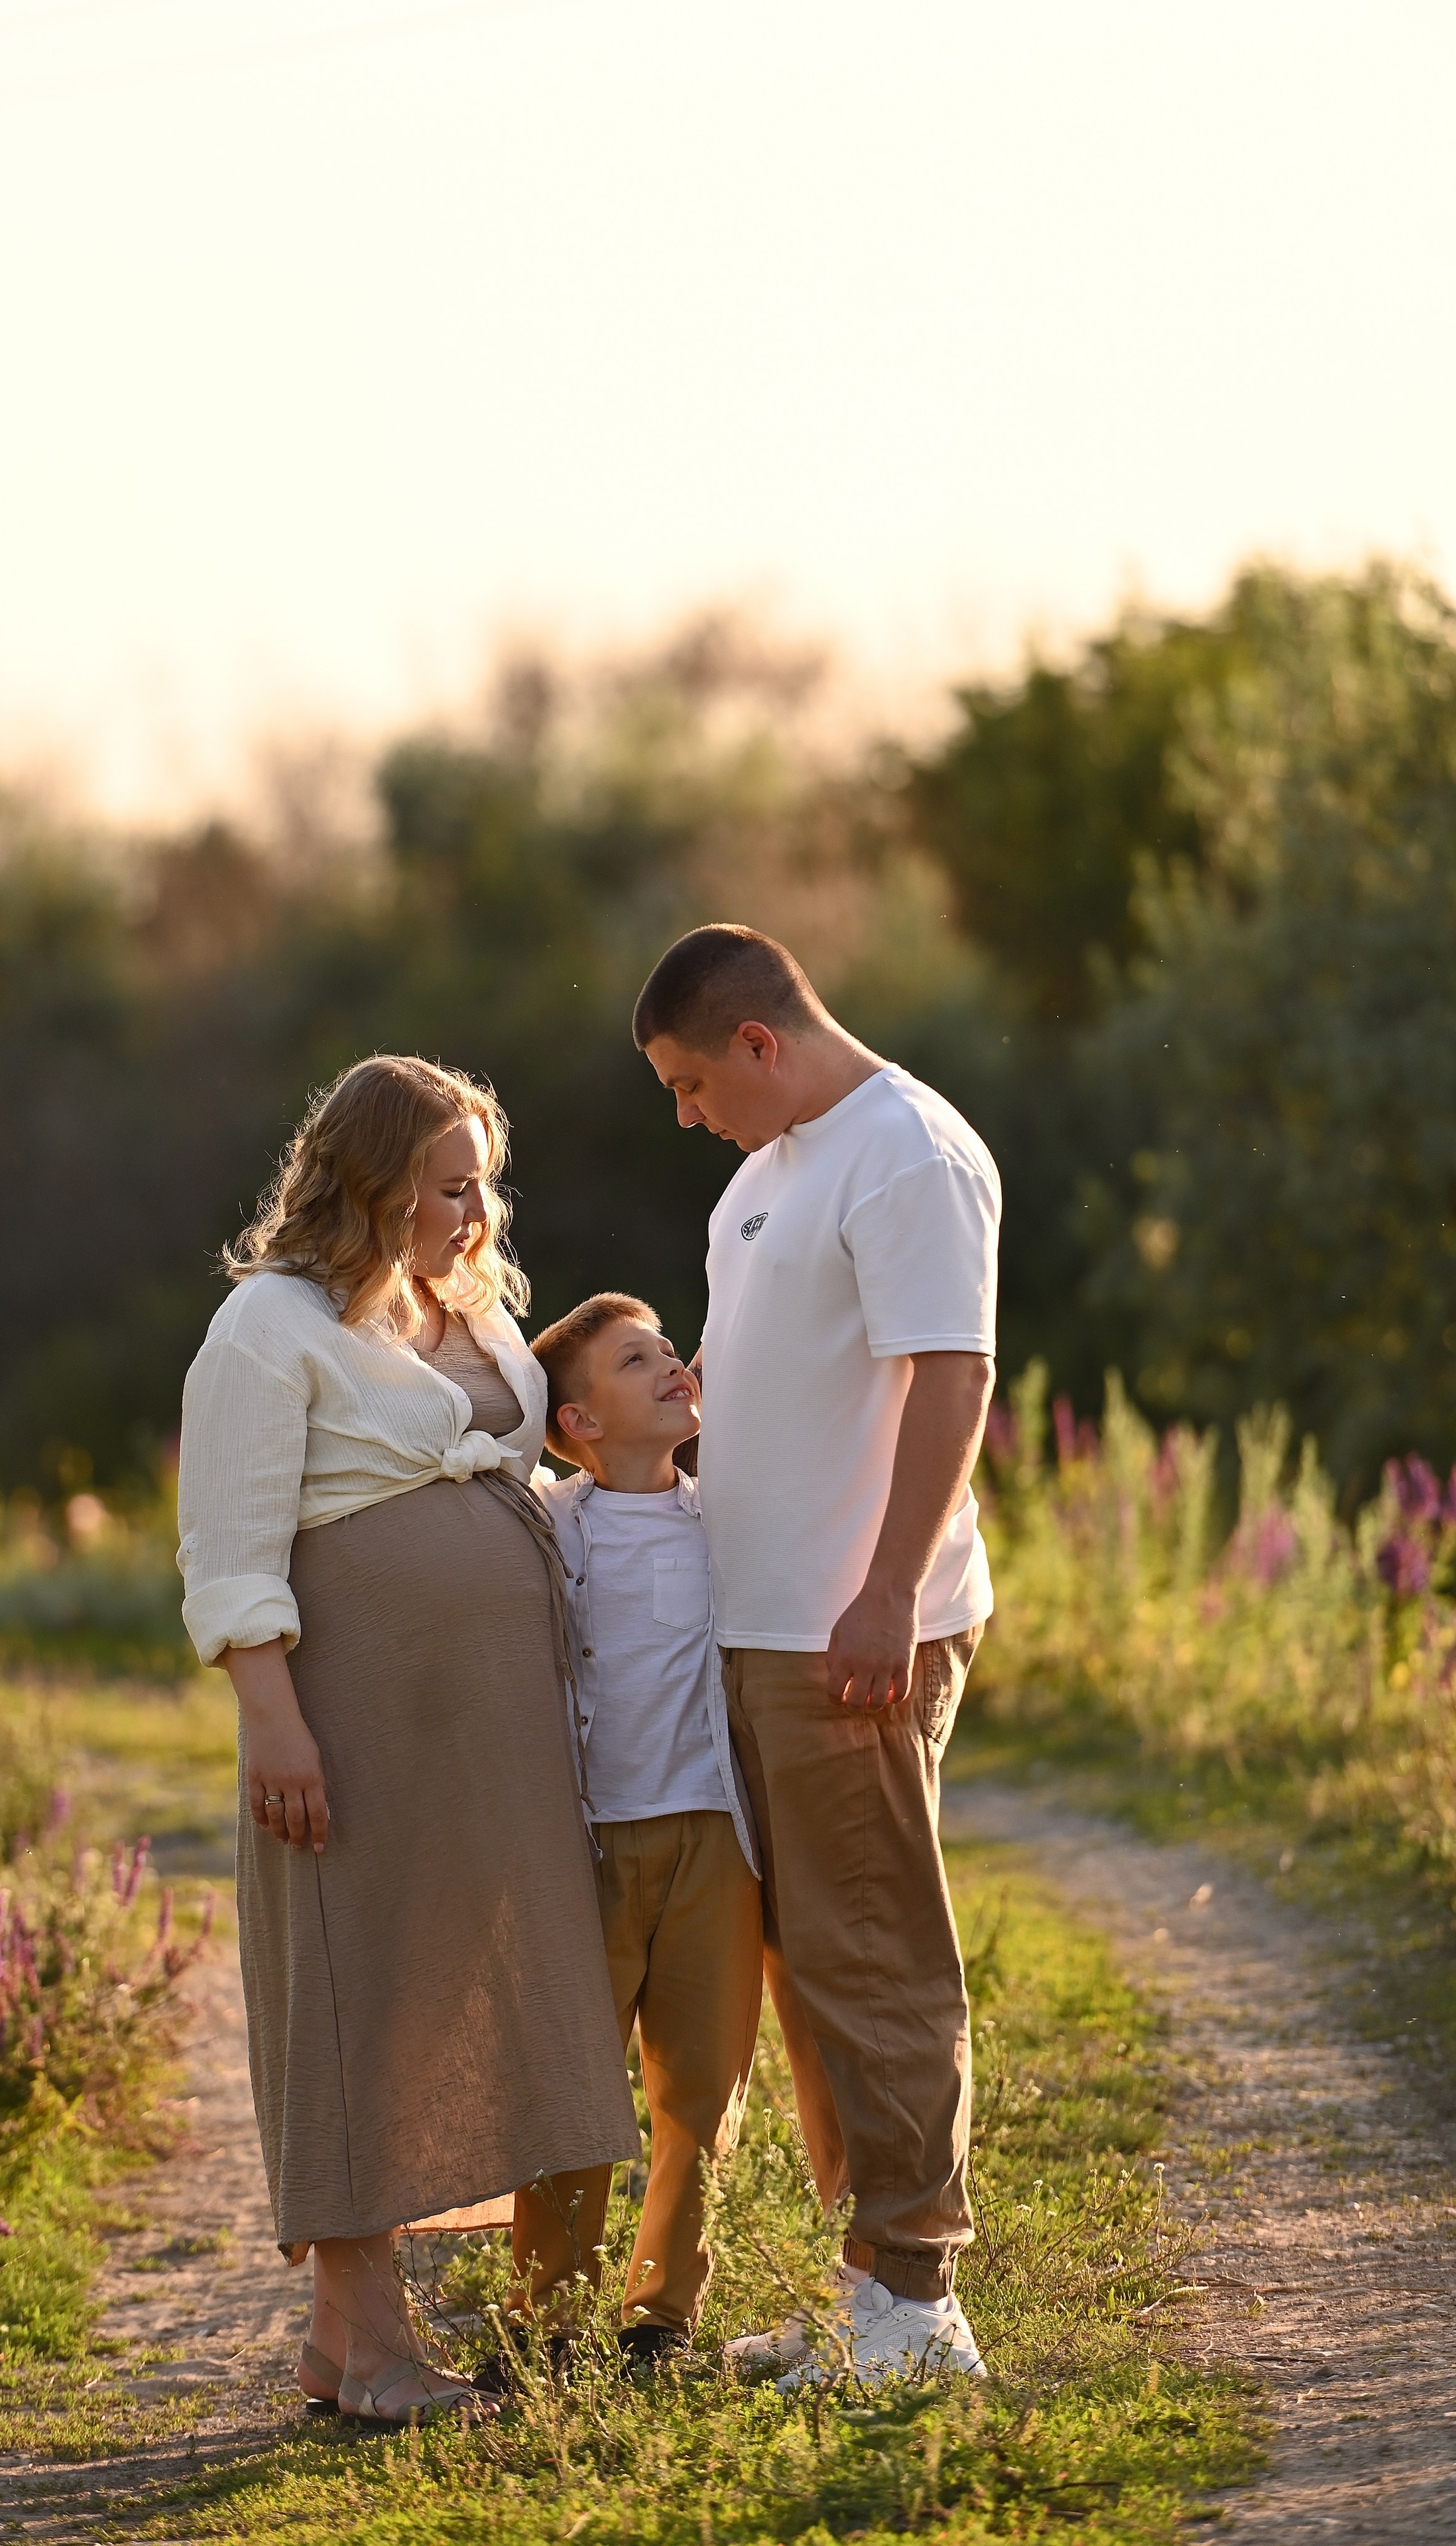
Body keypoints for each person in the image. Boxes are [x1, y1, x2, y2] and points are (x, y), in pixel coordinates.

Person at [176, 1056, 638, 2426]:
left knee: (450, 1983)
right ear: (370, 1182)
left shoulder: (462, 1305)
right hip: (352, 1715)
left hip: (493, 1731)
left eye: (480, 1182)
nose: (474, 1212)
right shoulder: (268, 1327)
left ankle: (349, 2343)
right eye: (446, 1187)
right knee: (356, 1996)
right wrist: (275, 1726)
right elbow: (228, 1546)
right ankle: (371, 2350)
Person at [633, 924, 999, 2385]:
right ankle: (868, 2299)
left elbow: (950, 1373)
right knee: (804, 1976)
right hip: (757, 1625)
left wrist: (887, 1593)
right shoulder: (762, 1176)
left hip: (848, 1632)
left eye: (687, 1081)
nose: (684, 1113)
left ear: (758, 1046)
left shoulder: (905, 1151)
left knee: (871, 1954)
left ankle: (917, 2310)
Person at [504, 1293, 762, 2364]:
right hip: (592, 1848)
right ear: (580, 1425)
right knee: (572, 2089)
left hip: (712, 1838)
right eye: (635, 1360)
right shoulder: (547, 1527)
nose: (672, 1366)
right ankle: (548, 2318)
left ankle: (661, 2316)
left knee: (700, 2094)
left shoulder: (728, 1515)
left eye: (669, 1349)